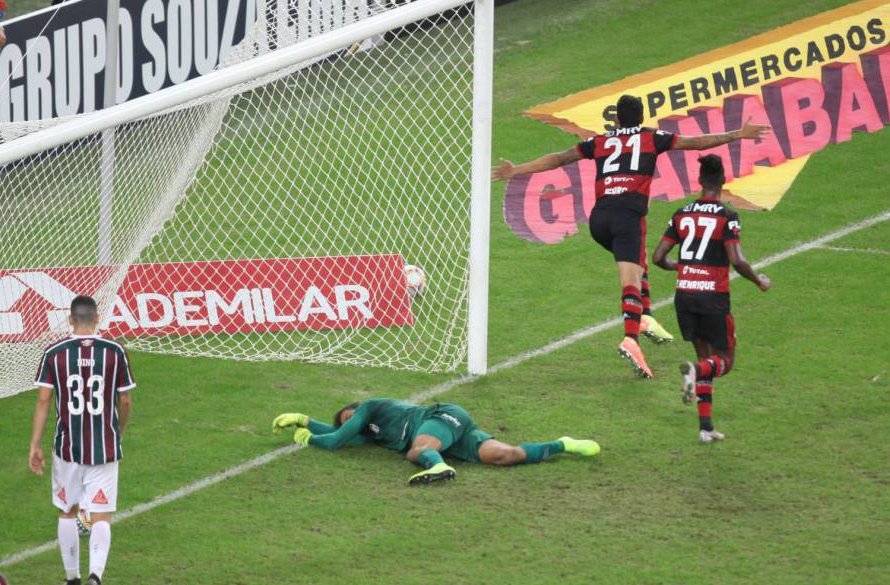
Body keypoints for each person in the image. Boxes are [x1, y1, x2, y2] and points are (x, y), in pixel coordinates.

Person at [492, 94, 770, 379]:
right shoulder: (652, 137)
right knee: (631, 280)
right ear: (640, 118)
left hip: (599, 220)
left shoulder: (599, 141)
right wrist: (739, 134)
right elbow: (696, 142)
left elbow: (558, 159)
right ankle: (631, 338)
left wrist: (515, 171)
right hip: (627, 218)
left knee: (638, 262)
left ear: (616, 119)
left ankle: (644, 316)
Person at [651, 155, 771, 443]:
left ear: (700, 180)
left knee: (705, 358)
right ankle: (693, 371)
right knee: (724, 361)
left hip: (684, 296)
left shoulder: (681, 214)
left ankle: (706, 428)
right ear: (723, 182)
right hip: (712, 297)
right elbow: (737, 260)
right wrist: (758, 280)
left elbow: (657, 257)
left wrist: (680, 267)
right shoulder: (727, 217)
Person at [30, 295, 135, 585]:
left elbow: (45, 400)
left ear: (71, 320)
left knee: (68, 510)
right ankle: (95, 576)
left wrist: (35, 443)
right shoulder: (115, 352)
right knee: (101, 515)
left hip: (67, 448)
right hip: (104, 446)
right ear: (97, 318)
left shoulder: (54, 353)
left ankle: (73, 580)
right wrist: (119, 432)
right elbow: (126, 402)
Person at [273, 398, 601, 485]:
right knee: (506, 455)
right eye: (347, 421)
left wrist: (307, 437)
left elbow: (333, 441)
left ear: (356, 409)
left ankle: (440, 468)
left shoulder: (371, 406)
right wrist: (304, 421)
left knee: (417, 453)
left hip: (441, 418)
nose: (351, 421)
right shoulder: (374, 433)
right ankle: (563, 444)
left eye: (349, 416)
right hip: (449, 434)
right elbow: (340, 437)